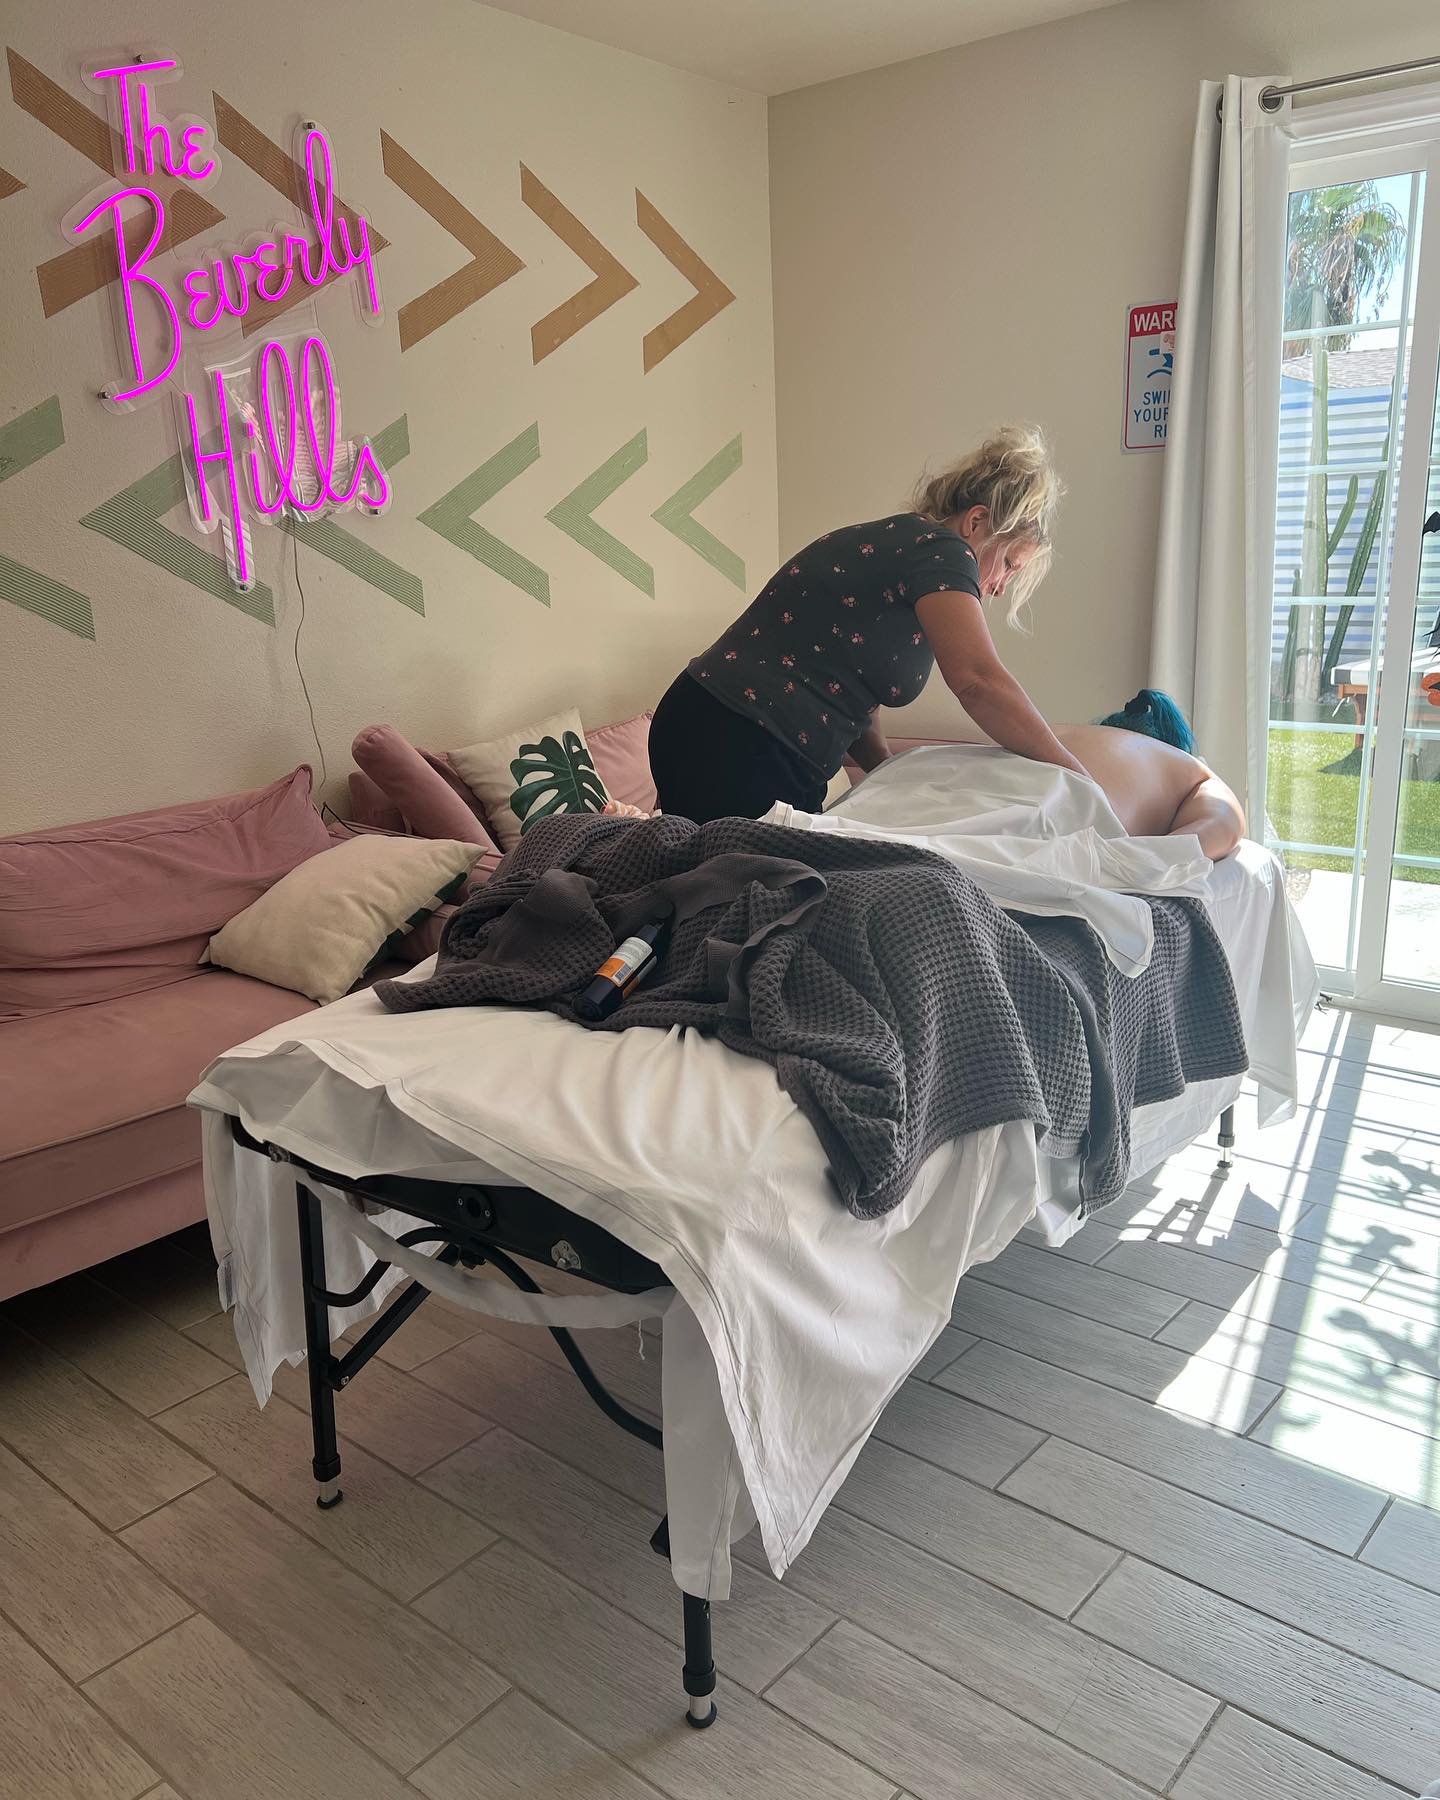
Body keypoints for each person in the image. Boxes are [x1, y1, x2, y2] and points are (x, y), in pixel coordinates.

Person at [648, 425, 1083, 822]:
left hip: (712, 722)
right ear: (976, 522)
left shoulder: (899, 543)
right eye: (1008, 563)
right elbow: (978, 682)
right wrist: (1074, 773)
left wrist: (888, 775)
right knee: (778, 897)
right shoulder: (945, 553)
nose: (1001, 587)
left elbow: (855, 686)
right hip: (740, 740)